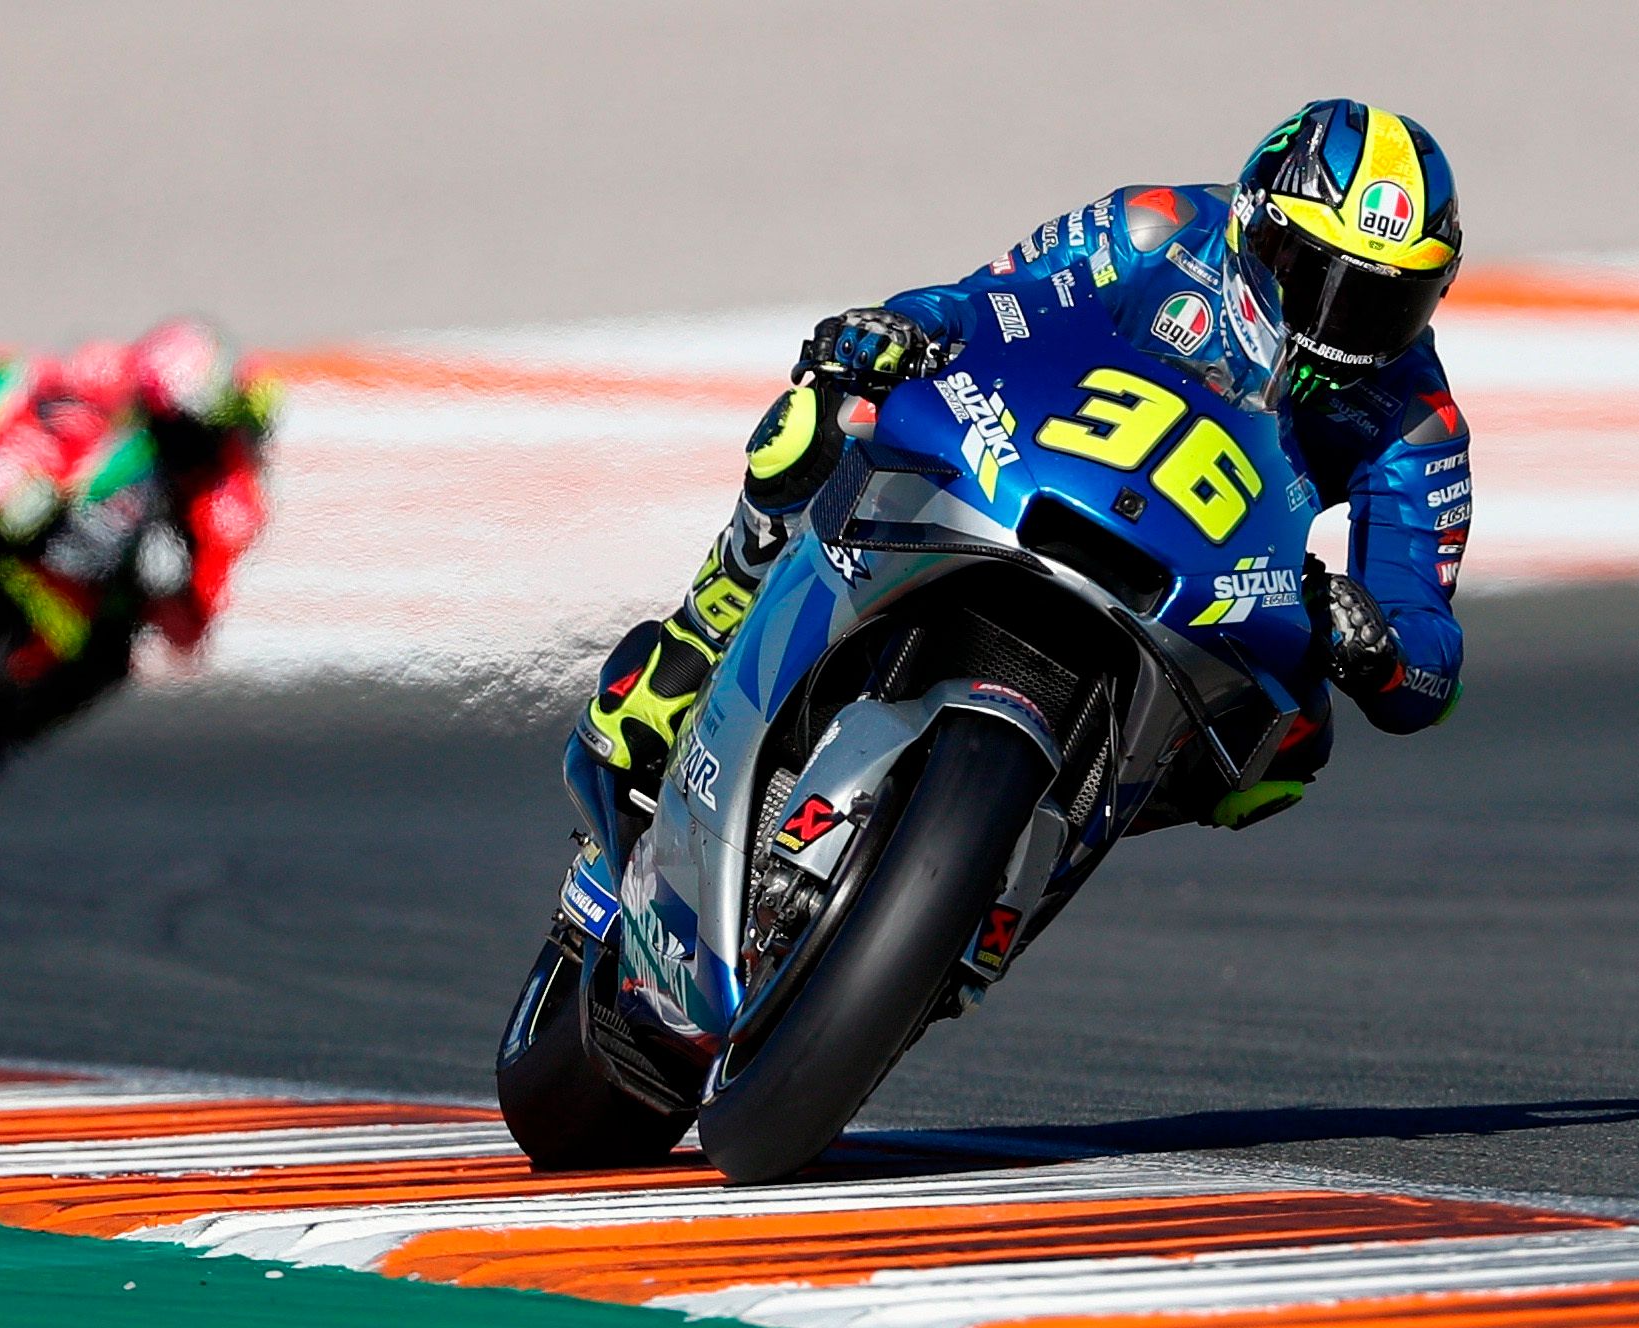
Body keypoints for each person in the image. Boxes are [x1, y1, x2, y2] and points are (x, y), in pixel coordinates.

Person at [580, 99, 1471, 831]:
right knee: (831, 413)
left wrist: (1380, 650)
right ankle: (701, 636)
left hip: (1200, 586)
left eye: (1381, 303)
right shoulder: (1155, 227)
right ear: (1254, 228)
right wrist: (906, 328)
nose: (1337, 325)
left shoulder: (1415, 418)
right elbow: (992, 302)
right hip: (1035, 473)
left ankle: (1029, 844)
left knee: (1288, 746)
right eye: (1314, 277)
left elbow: (1427, 654)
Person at [0, 314, 279, 717]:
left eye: (187, 432)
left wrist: (162, 586)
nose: (170, 439)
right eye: (158, 417)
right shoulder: (105, 369)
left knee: (105, 661)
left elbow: (190, 630)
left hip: (87, 589)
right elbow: (11, 375)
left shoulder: (226, 500)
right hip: (16, 506)